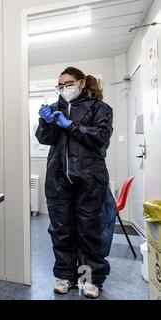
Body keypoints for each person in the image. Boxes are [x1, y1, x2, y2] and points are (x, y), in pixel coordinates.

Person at [36, 67, 113, 299]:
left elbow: (100, 137)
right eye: (59, 85)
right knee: (61, 230)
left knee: (90, 230)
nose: (63, 89)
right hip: (59, 178)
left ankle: (90, 279)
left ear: (81, 83)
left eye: (68, 83)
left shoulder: (100, 108)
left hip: (90, 178)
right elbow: (44, 138)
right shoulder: (54, 108)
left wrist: (71, 125)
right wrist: (45, 122)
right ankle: (65, 276)